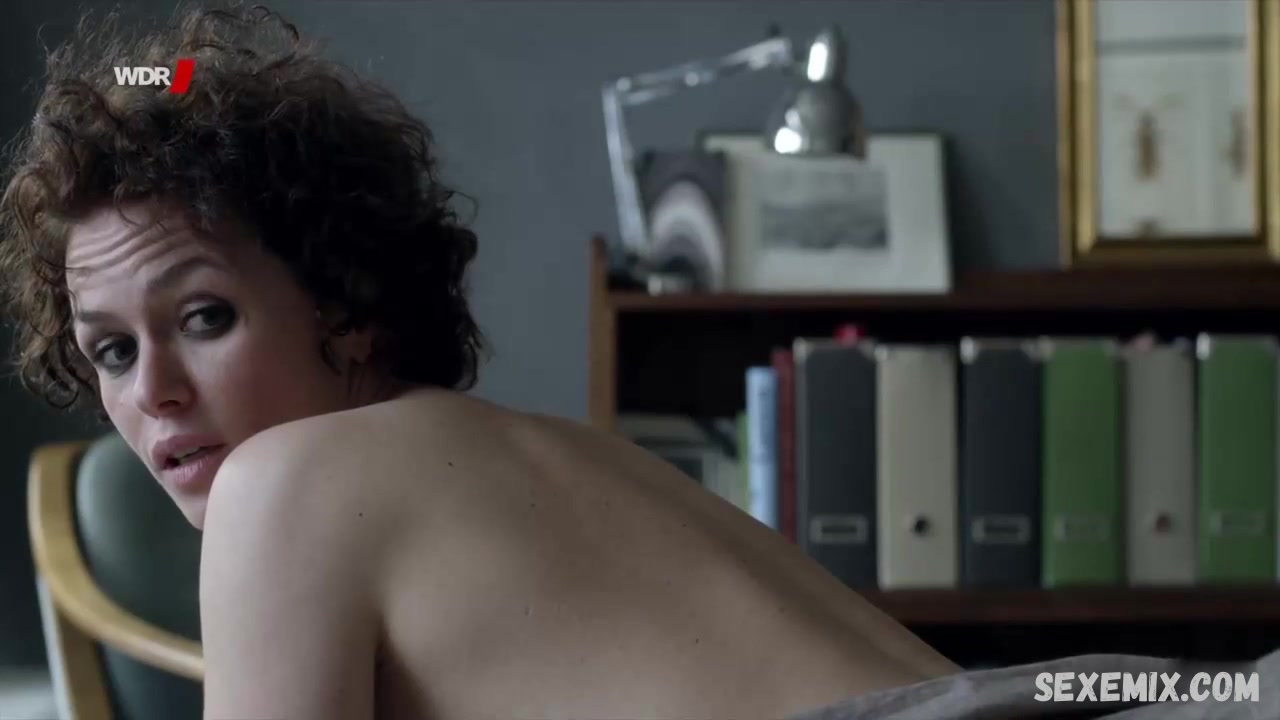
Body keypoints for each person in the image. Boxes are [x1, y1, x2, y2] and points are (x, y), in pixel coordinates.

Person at [0, 4, 960, 719]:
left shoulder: (283, 482)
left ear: (350, 305)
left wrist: (145, 89)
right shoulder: (552, 457)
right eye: (112, 350)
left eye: (206, 318)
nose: (153, 391)